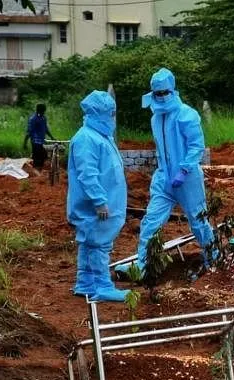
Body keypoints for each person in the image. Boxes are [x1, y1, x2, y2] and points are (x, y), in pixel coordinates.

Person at [115, 68, 215, 276]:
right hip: (164, 178)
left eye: (163, 93)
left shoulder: (187, 115)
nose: (160, 98)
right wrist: (164, 174)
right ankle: (142, 265)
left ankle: (213, 257)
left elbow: (196, 147)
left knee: (198, 221)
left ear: (172, 90)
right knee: (151, 221)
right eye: (156, 93)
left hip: (187, 179)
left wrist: (184, 170)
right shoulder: (156, 118)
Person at [67, 91, 129, 301]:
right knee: (99, 244)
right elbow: (88, 174)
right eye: (110, 113)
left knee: (89, 243)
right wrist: (99, 201)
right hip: (96, 205)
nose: (113, 118)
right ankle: (102, 286)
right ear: (99, 113)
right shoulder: (86, 139)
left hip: (104, 201)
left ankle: (85, 283)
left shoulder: (99, 136)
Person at [24, 103, 56, 170]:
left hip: (42, 141)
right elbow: (29, 131)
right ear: (38, 110)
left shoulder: (43, 118)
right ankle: (35, 172)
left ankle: (38, 171)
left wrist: (52, 137)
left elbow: (46, 129)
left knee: (43, 157)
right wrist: (25, 142)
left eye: (44, 111)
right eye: (42, 111)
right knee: (38, 158)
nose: (43, 112)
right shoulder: (33, 119)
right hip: (35, 141)